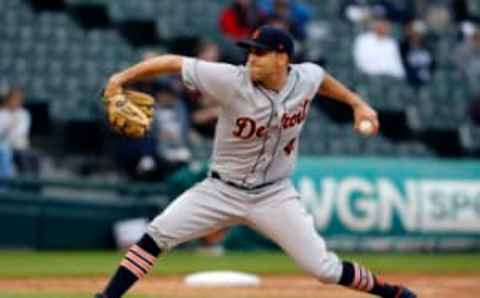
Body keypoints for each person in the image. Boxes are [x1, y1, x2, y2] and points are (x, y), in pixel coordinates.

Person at [96, 26, 416, 298]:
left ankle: (392, 292)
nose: (251, 58)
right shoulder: (230, 79)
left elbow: (322, 80)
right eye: (250, 51)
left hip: (274, 195)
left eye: (260, 53)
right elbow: (169, 61)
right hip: (220, 190)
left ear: (282, 58)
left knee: (324, 269)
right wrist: (119, 79)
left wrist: (358, 104)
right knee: (157, 234)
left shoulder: (305, 77)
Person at [400, 20, 436, 89]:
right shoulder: (403, 47)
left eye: (420, 33)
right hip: (410, 81)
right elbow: (403, 66)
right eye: (415, 33)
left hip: (427, 81)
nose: (417, 36)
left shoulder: (429, 48)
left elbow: (433, 65)